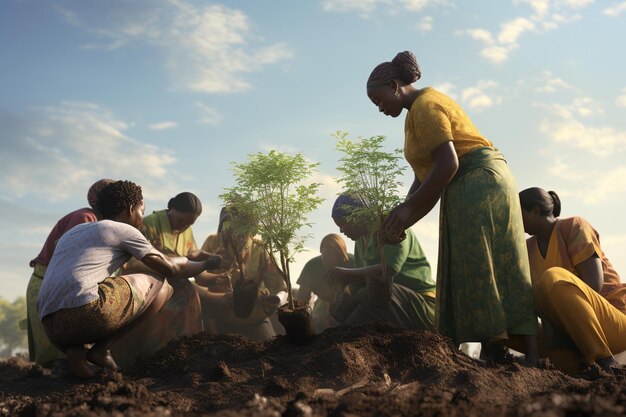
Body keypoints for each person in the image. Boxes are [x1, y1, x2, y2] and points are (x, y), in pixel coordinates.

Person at [366, 51, 538, 364]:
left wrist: (406, 212)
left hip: (478, 180)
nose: (379, 108)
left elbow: (447, 164)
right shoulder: (415, 114)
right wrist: (403, 216)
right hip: (473, 183)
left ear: (393, 85)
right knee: (486, 264)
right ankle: (497, 348)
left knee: (487, 263)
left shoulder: (426, 106)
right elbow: (425, 179)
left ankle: (519, 354)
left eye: (378, 100)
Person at [37, 180, 222, 378]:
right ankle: (103, 349)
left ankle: (77, 359)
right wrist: (199, 262)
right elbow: (169, 267)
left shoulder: (73, 233)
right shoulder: (124, 230)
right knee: (162, 286)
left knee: (90, 289)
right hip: (85, 314)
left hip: (51, 325)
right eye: (142, 210)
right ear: (131, 209)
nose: (142, 217)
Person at [519, 187, 626, 372]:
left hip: (612, 326)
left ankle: (605, 361)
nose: (515, 221)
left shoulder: (573, 226)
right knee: (509, 321)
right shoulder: (528, 248)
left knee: (553, 277)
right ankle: (575, 366)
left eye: (518, 213)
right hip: (568, 336)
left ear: (536, 211)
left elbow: (594, 283)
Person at [110, 192, 222, 367]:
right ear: (172, 209)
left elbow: (197, 273)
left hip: (175, 284)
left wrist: (215, 276)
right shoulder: (148, 224)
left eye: (189, 224)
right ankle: (137, 358)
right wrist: (168, 268)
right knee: (178, 290)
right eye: (182, 221)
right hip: (143, 281)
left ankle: (182, 353)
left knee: (188, 291)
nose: (184, 226)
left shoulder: (187, 233)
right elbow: (132, 263)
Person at [26, 178, 115, 374]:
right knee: (60, 358)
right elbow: (68, 256)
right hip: (47, 284)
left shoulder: (101, 223)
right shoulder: (85, 218)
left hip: (55, 283)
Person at [326, 194, 436, 331]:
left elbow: (387, 270)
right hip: (392, 303)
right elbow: (361, 281)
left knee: (371, 293)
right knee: (346, 323)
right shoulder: (360, 242)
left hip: (421, 306)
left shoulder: (391, 226)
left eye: (343, 224)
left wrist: (346, 274)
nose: (341, 231)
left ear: (357, 218)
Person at [197, 206, 287, 341]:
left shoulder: (260, 249)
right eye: (228, 225)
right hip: (217, 317)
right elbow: (199, 277)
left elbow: (281, 289)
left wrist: (276, 301)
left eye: (240, 225)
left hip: (253, 318)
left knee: (269, 349)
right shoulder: (212, 242)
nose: (233, 231)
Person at [295, 233, 355, 333]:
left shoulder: (353, 263)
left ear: (341, 255)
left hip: (349, 306)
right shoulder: (312, 267)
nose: (326, 260)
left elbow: (359, 292)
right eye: (324, 255)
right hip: (324, 302)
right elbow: (302, 299)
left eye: (331, 256)